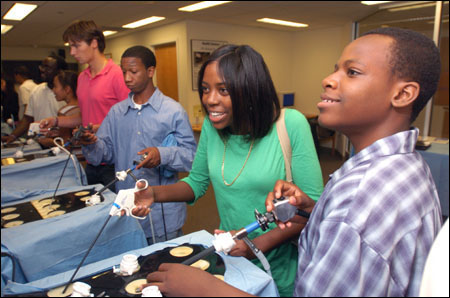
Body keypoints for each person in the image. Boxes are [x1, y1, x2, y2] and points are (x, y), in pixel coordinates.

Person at [138, 27, 443, 297]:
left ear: (403, 94)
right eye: (205, 89)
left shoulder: (360, 198)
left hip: (279, 268)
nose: (328, 79)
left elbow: (347, 220)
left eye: (352, 72)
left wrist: (206, 290)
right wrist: (312, 207)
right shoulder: (407, 169)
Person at [131, 44, 324, 296]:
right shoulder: (213, 128)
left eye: (223, 90)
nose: (210, 100)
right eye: (205, 89)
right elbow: (197, 182)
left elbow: (312, 208)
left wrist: (253, 245)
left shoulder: (291, 124)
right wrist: (154, 195)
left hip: (279, 268)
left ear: (251, 89)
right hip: (230, 259)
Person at [80, 46, 196, 244]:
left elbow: (191, 157)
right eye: (124, 72)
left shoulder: (173, 112)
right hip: (127, 212)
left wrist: (162, 155)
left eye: (133, 72)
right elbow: (104, 154)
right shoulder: (117, 113)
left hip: (162, 216)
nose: (126, 78)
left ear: (150, 72)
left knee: (166, 267)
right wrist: (91, 143)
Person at [40, 20, 130, 191]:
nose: (72, 52)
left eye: (76, 46)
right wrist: (56, 121)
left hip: (114, 162)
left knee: (115, 214)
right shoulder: (82, 77)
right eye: (70, 47)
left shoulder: (117, 75)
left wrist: (95, 128)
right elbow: (85, 117)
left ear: (94, 43)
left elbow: (130, 119)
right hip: (91, 159)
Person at [2, 55, 67, 144]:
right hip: (40, 142)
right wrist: (13, 136)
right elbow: (28, 118)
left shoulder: (68, 93)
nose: (42, 69)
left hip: (61, 143)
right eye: (42, 66)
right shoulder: (36, 90)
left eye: (47, 67)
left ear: (60, 71)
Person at [38, 70, 80, 148]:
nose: (53, 90)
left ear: (67, 89)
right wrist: (57, 133)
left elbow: (66, 145)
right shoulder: (82, 107)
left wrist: (51, 142)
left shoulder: (64, 112)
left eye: (55, 86)